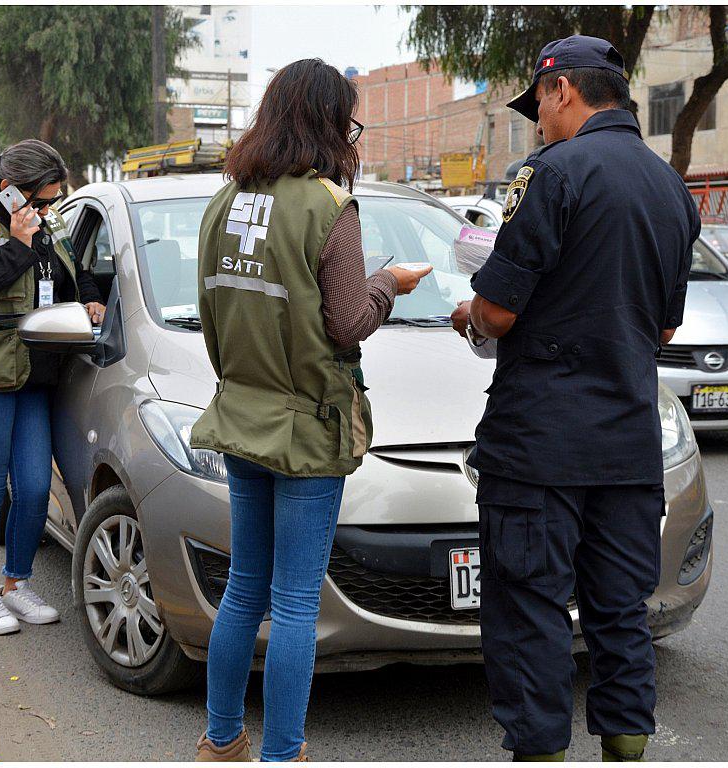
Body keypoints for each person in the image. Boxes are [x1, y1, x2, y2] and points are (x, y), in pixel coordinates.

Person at [449, 35, 698, 762]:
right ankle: (626, 749)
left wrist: (469, 313)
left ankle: (541, 752)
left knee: (530, 613)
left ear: (563, 91)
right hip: (627, 442)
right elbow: (666, 324)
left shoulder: (550, 174)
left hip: (540, 448)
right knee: (622, 614)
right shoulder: (670, 188)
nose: (539, 123)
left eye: (541, 107)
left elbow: (497, 313)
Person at [188, 59, 431, 763]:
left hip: (240, 416)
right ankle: (283, 754)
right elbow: (350, 322)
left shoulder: (224, 202)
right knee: (295, 603)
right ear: (330, 124)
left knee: (243, 589)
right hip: (309, 426)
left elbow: (210, 313)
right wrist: (390, 281)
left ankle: (221, 741)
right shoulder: (329, 206)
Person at [0, 139, 105, 636]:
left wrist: (91, 299)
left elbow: (78, 277)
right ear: (11, 190)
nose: (47, 209)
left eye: (52, 200)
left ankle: (17, 583)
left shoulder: (48, 225)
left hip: (34, 373)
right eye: (40, 199)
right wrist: (17, 243)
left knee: (32, 487)